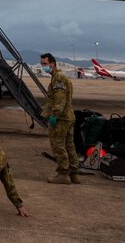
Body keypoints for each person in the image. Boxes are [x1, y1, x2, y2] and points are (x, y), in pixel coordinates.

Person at [40, 52, 80, 184]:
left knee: (58, 145)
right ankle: (74, 174)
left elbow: (60, 100)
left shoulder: (58, 78)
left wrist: (54, 116)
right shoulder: (59, 77)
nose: (43, 66)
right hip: (68, 117)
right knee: (69, 145)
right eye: (42, 64)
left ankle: (63, 174)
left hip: (61, 118)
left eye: (45, 64)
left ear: (53, 64)